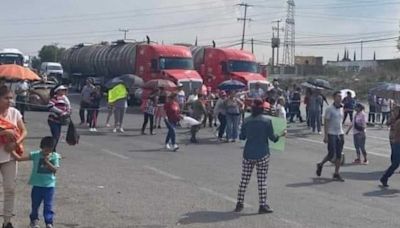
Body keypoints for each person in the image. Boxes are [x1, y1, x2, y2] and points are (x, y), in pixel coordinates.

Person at [234, 99, 286, 214]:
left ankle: (239, 203)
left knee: (244, 179)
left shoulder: (246, 120)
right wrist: (281, 134)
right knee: (262, 180)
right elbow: (273, 138)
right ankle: (262, 205)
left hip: (248, 153)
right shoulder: (267, 121)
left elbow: (242, 137)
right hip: (263, 153)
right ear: (263, 109)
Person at [12, 136, 60, 228]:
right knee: (35, 205)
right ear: (41, 147)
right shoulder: (36, 155)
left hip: (49, 186)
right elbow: (19, 159)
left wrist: (47, 162)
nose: (47, 151)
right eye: (45, 149)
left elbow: (55, 170)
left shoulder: (54, 156)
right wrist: (11, 151)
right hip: (37, 185)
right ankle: (34, 220)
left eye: (49, 149)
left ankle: (48, 222)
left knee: (48, 205)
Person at [0, 86, 27, 228]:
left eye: (11, 98)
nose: (10, 101)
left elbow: (24, 131)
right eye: (6, 98)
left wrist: (16, 143)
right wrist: (3, 134)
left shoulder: (15, 113)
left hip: (9, 155)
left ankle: (6, 222)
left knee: (10, 188)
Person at [316, 91, 345, 181]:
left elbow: (340, 120)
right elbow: (326, 122)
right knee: (331, 154)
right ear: (334, 98)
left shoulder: (341, 108)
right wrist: (326, 135)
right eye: (338, 97)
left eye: (341, 97)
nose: (340, 98)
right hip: (331, 134)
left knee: (339, 155)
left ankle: (336, 173)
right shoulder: (329, 109)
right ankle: (320, 164)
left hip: (340, 133)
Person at [380, 106, 400, 187]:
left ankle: (384, 177)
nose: (395, 112)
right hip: (397, 143)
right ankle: (384, 177)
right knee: (395, 163)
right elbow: (395, 132)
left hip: (396, 142)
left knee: (395, 163)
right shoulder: (397, 121)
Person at [48, 85, 71, 151]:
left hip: (60, 121)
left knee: (58, 137)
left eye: (64, 90)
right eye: (62, 90)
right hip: (53, 120)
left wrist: (68, 112)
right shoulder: (55, 98)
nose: (64, 91)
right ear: (58, 91)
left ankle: (52, 150)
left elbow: (68, 106)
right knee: (56, 136)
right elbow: (50, 106)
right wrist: (60, 112)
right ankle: (52, 150)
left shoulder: (65, 98)